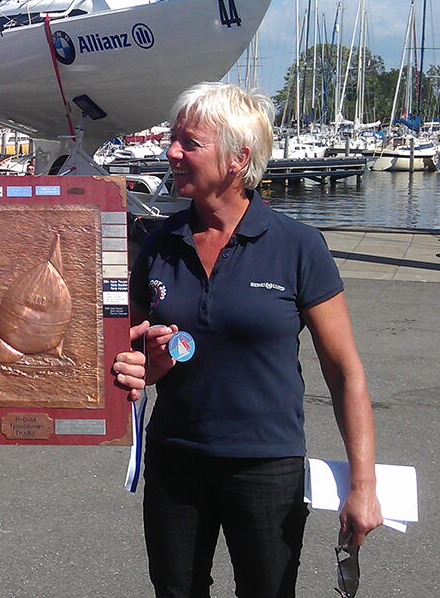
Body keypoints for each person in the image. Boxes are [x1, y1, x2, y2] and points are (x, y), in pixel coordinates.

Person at [126, 82, 382, 598]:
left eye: (189, 143)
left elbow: (344, 372)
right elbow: (127, 356)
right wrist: (142, 367)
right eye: (172, 140)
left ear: (238, 158)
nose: (171, 152)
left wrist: (364, 486)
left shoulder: (297, 246)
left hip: (266, 466)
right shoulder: (158, 243)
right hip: (176, 461)